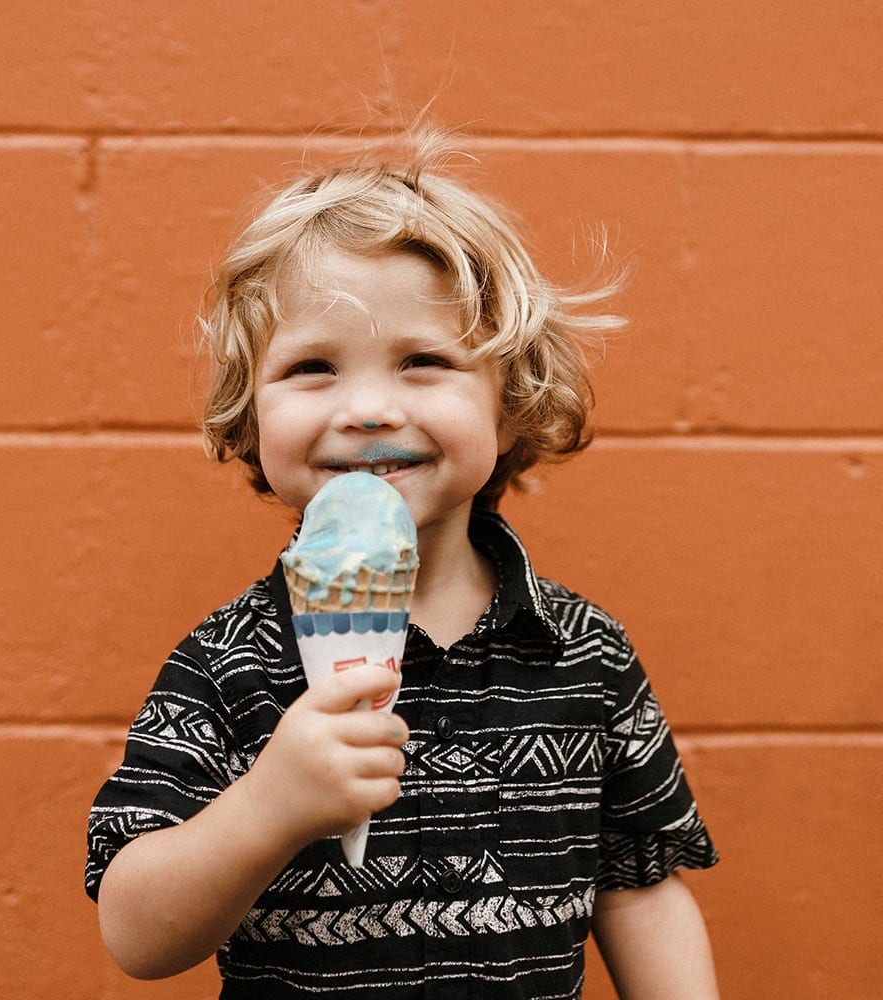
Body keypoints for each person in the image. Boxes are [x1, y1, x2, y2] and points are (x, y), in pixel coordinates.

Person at [85, 130, 720, 999]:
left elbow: (641, 888)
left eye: (424, 362)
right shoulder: (230, 663)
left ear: (511, 401)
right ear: (250, 414)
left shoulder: (586, 655)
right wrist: (269, 805)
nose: (370, 407)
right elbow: (134, 933)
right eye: (311, 367)